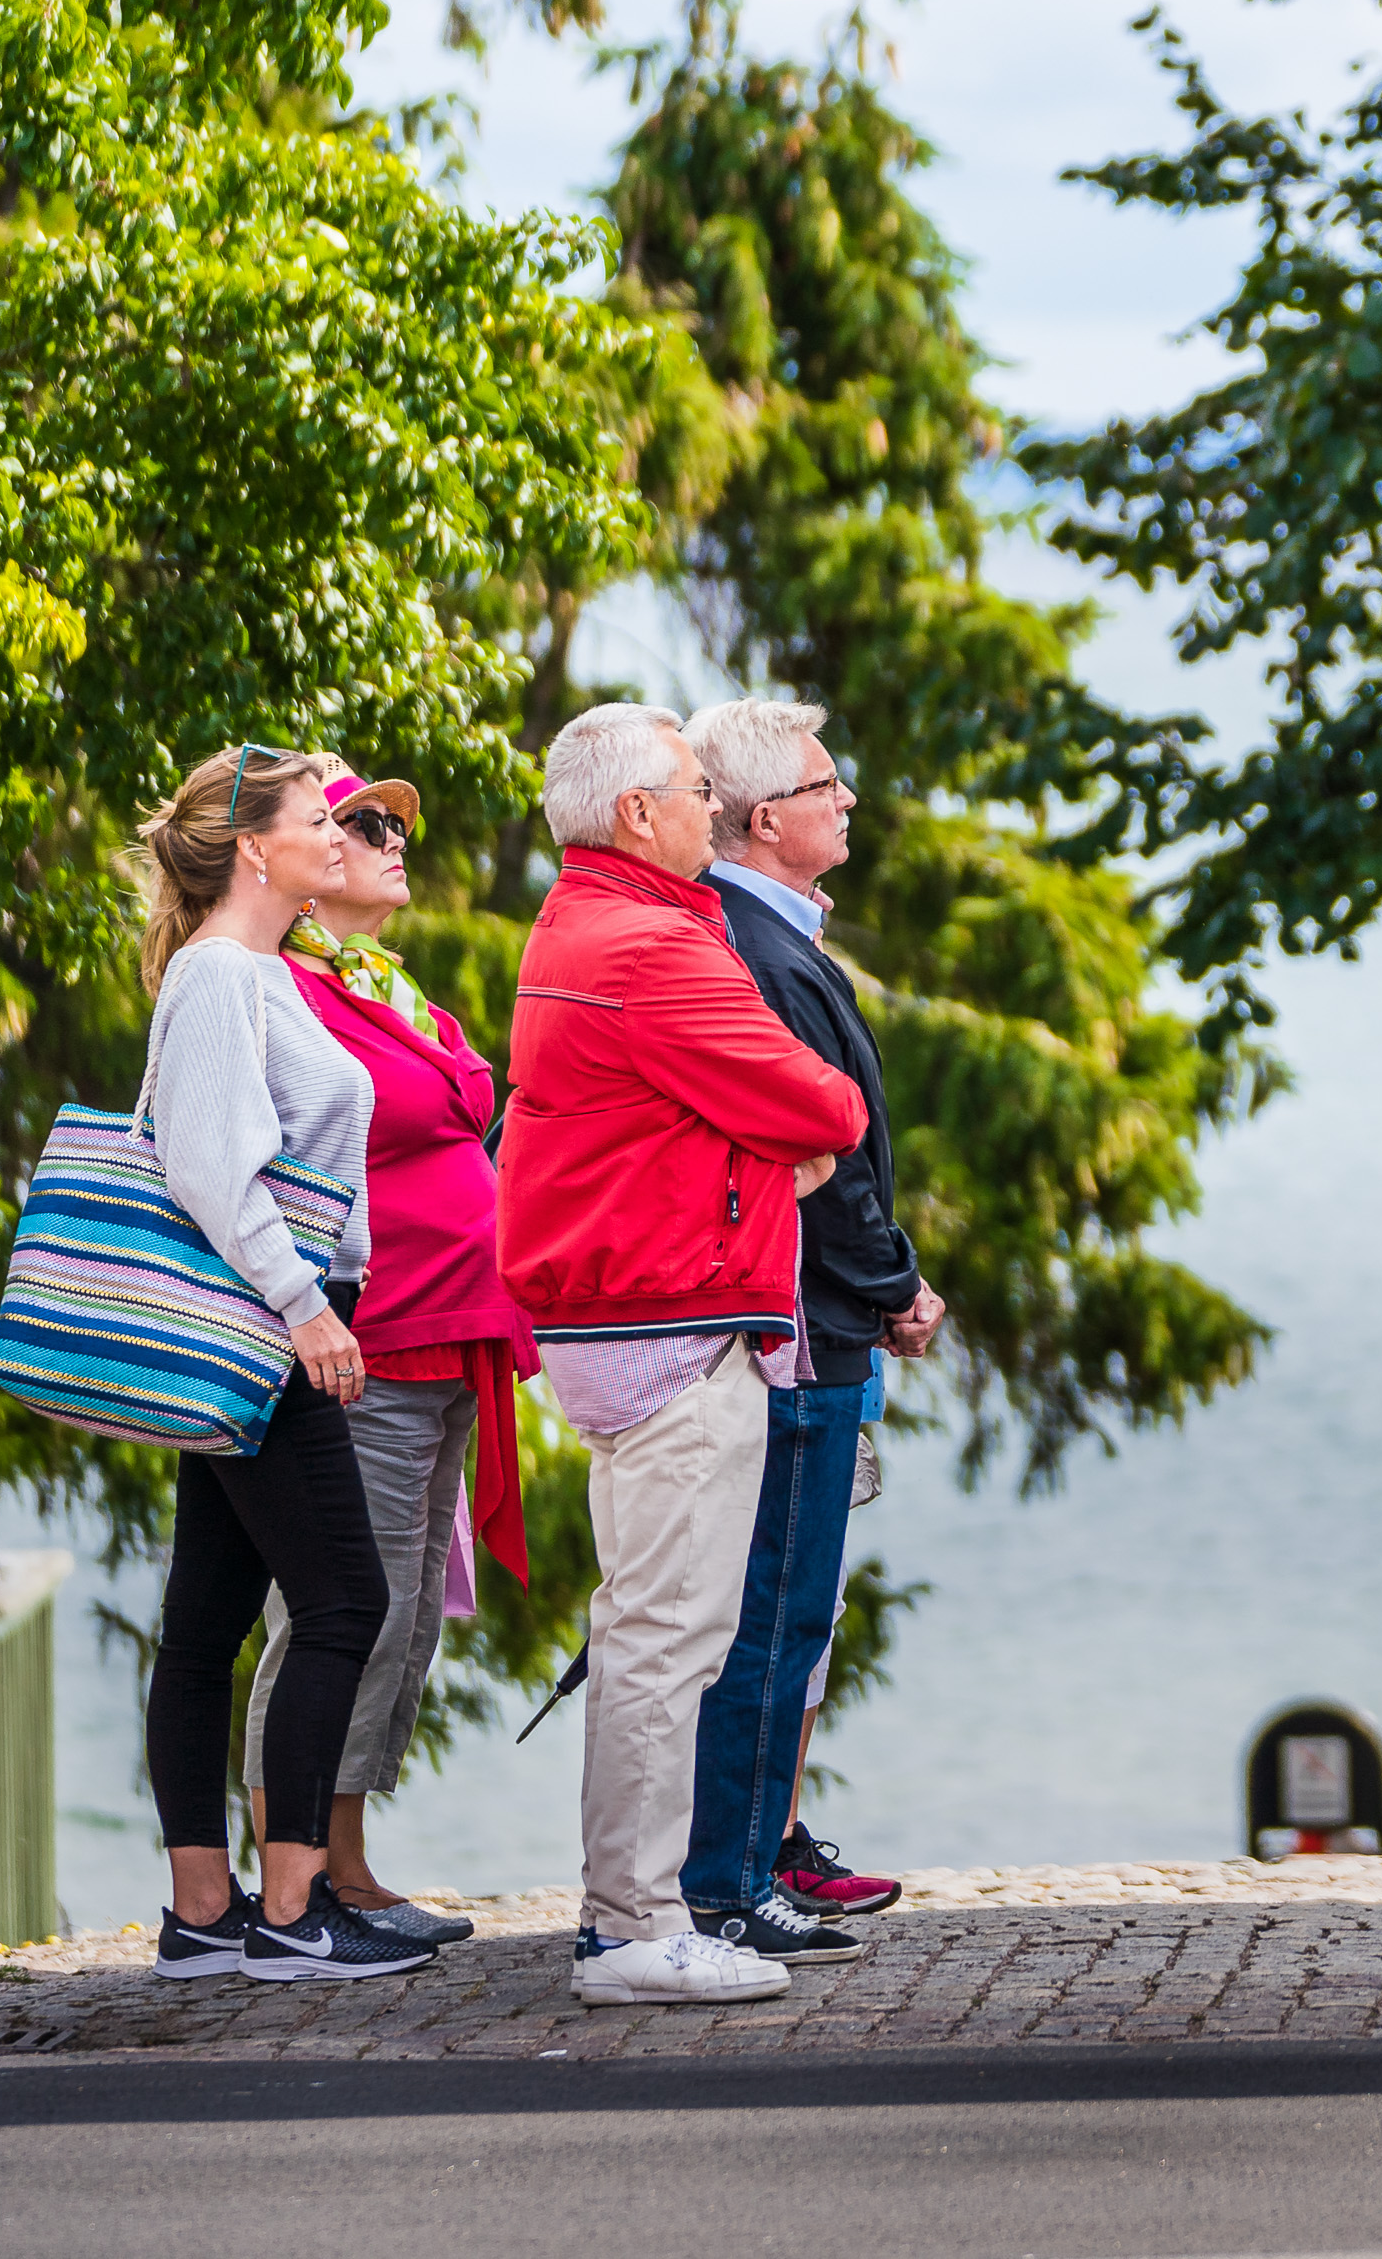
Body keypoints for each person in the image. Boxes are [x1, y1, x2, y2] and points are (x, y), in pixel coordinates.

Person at [498, 702, 867, 2008]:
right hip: (669, 1324)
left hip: (618, 1320)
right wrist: (787, 1147)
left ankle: (631, 1910)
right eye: (696, 787)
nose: (716, 804)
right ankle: (631, 1925)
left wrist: (767, 1138)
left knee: (647, 1626)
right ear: (638, 814)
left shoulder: (581, 926)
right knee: (668, 1636)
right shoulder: (653, 948)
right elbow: (828, 1101)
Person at [128, 743, 432, 1982]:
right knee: (345, 1600)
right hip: (265, 1324)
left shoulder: (256, 972)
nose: (337, 829)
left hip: (267, 1316)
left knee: (204, 1619)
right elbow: (208, 1166)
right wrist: (311, 1308)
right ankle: (291, 1907)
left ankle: (205, 1916)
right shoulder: (217, 977)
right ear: (255, 845)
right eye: (318, 815)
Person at [240, 762, 526, 1949]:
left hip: (447, 1338)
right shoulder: (283, 991)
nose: (394, 836)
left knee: (403, 1618)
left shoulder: (386, 983)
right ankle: (296, 1878)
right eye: (362, 822)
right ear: (306, 866)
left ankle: (346, 1858)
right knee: (337, 1611)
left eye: (399, 820)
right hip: (367, 1338)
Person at [683, 697, 950, 1946]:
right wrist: (893, 1281)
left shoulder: (769, 932)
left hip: (815, 1313)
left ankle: (764, 1850)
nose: (847, 800)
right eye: (826, 784)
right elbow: (820, 1155)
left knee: (799, 1606)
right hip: (798, 1320)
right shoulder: (752, 945)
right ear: (766, 815)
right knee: (775, 1605)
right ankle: (734, 1879)